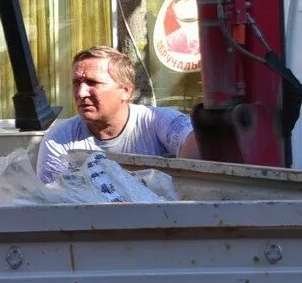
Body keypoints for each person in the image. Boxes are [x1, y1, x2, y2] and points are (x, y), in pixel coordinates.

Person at [35, 45, 200, 184]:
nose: (81, 92)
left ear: (126, 91)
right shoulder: (59, 140)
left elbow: (197, 139)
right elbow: (52, 205)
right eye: (76, 83)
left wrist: (184, 182)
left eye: (93, 82)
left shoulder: (157, 121)